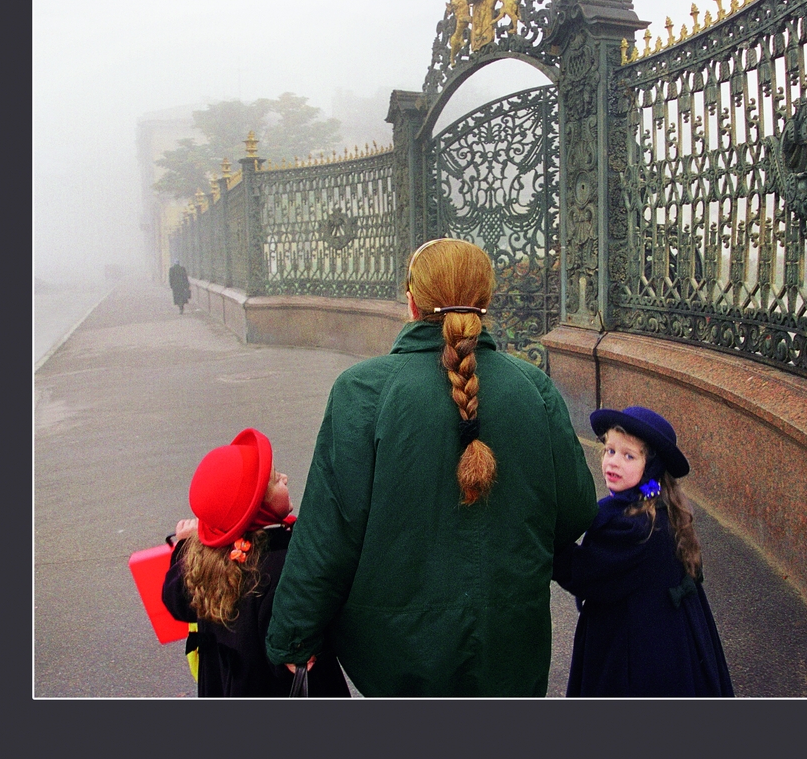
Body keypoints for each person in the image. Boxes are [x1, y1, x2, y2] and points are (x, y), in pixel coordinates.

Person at [266, 238, 598, 696]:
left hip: (398, 652)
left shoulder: (363, 391)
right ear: (486, 301)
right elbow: (577, 510)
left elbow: (330, 532)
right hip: (510, 641)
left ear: (412, 301)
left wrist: (294, 634)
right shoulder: (533, 388)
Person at [552, 405, 734, 697]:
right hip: (668, 637)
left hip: (635, 649)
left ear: (651, 466)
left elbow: (583, 573)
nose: (613, 462)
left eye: (629, 456)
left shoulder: (635, 529)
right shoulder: (658, 507)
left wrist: (547, 541)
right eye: (610, 450)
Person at [162, 428, 350, 698]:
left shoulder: (205, 562)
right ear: (256, 509)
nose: (285, 478)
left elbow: (176, 600)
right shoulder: (286, 567)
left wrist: (185, 546)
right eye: (275, 481)